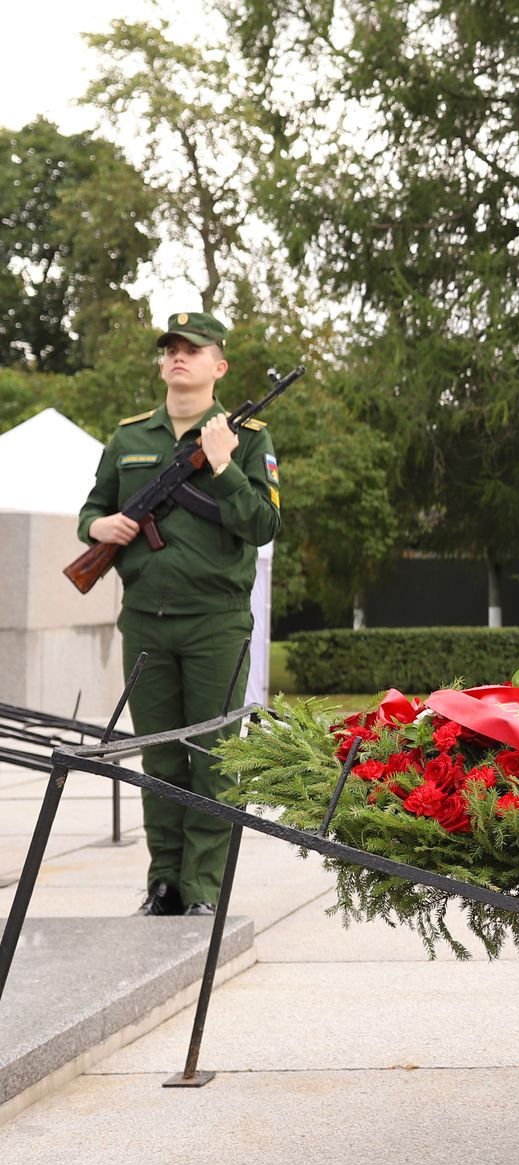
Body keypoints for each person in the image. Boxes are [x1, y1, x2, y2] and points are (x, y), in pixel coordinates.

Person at [76, 311, 281, 918]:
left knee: (215, 758)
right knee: (160, 757)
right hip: (144, 618)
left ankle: (203, 891)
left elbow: (263, 525)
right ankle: (163, 882)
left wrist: (221, 467)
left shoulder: (250, 440)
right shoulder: (129, 437)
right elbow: (91, 507)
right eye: (170, 349)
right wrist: (98, 526)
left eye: (192, 349)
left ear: (218, 366)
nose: (178, 357)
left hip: (215, 621)